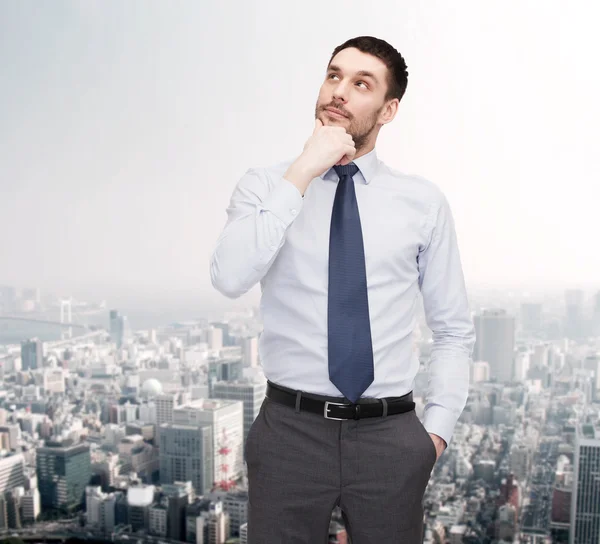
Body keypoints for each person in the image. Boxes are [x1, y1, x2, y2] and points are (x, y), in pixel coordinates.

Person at [210, 35, 476, 544]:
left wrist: (434, 436)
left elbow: (453, 330)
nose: (339, 91)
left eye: (361, 83)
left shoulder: (421, 202)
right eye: (333, 75)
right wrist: (304, 170)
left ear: (388, 109)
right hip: (289, 430)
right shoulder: (267, 185)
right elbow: (228, 276)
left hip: (390, 434)